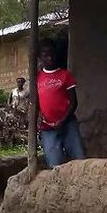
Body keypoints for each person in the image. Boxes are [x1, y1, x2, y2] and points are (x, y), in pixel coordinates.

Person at [37, 39, 84, 168]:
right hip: (48, 127)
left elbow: (74, 103)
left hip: (68, 124)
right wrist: (39, 115)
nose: (50, 57)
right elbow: (35, 103)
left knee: (79, 159)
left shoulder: (65, 75)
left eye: (52, 54)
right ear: (40, 57)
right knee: (54, 163)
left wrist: (63, 120)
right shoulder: (37, 78)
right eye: (45, 55)